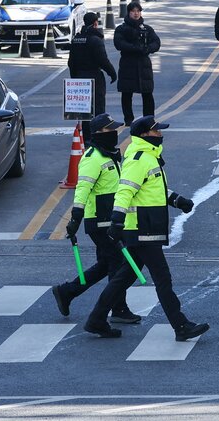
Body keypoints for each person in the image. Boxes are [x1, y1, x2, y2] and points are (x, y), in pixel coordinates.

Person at [84, 116, 208, 341]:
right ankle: (180, 326)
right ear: (143, 134)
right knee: (163, 278)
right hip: (142, 227)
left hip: (146, 226)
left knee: (123, 277)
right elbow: (125, 191)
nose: (160, 134)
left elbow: (153, 189)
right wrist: (117, 220)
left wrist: (177, 200)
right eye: (156, 131)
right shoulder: (139, 158)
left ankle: (96, 319)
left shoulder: (149, 157)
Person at [53, 114, 140, 324]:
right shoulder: (92, 158)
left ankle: (67, 292)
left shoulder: (109, 154)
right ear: (99, 133)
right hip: (100, 223)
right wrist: (75, 218)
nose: (115, 133)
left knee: (106, 263)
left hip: (110, 220)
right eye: (110, 129)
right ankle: (118, 308)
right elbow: (82, 189)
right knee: (118, 264)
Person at [68, 12, 118, 134]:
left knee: (84, 111)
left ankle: (85, 136)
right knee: (98, 108)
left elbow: (71, 62)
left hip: (80, 78)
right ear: (95, 23)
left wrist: (74, 77)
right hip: (94, 78)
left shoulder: (76, 40)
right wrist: (112, 73)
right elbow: (103, 60)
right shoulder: (96, 40)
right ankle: (97, 134)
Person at [113, 3, 160, 124]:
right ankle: (128, 119)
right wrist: (135, 48)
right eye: (133, 11)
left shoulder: (147, 29)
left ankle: (149, 119)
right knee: (127, 93)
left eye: (138, 11)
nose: (136, 13)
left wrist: (147, 48)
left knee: (147, 93)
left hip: (144, 64)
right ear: (128, 12)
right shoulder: (121, 29)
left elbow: (156, 42)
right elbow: (119, 44)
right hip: (128, 64)